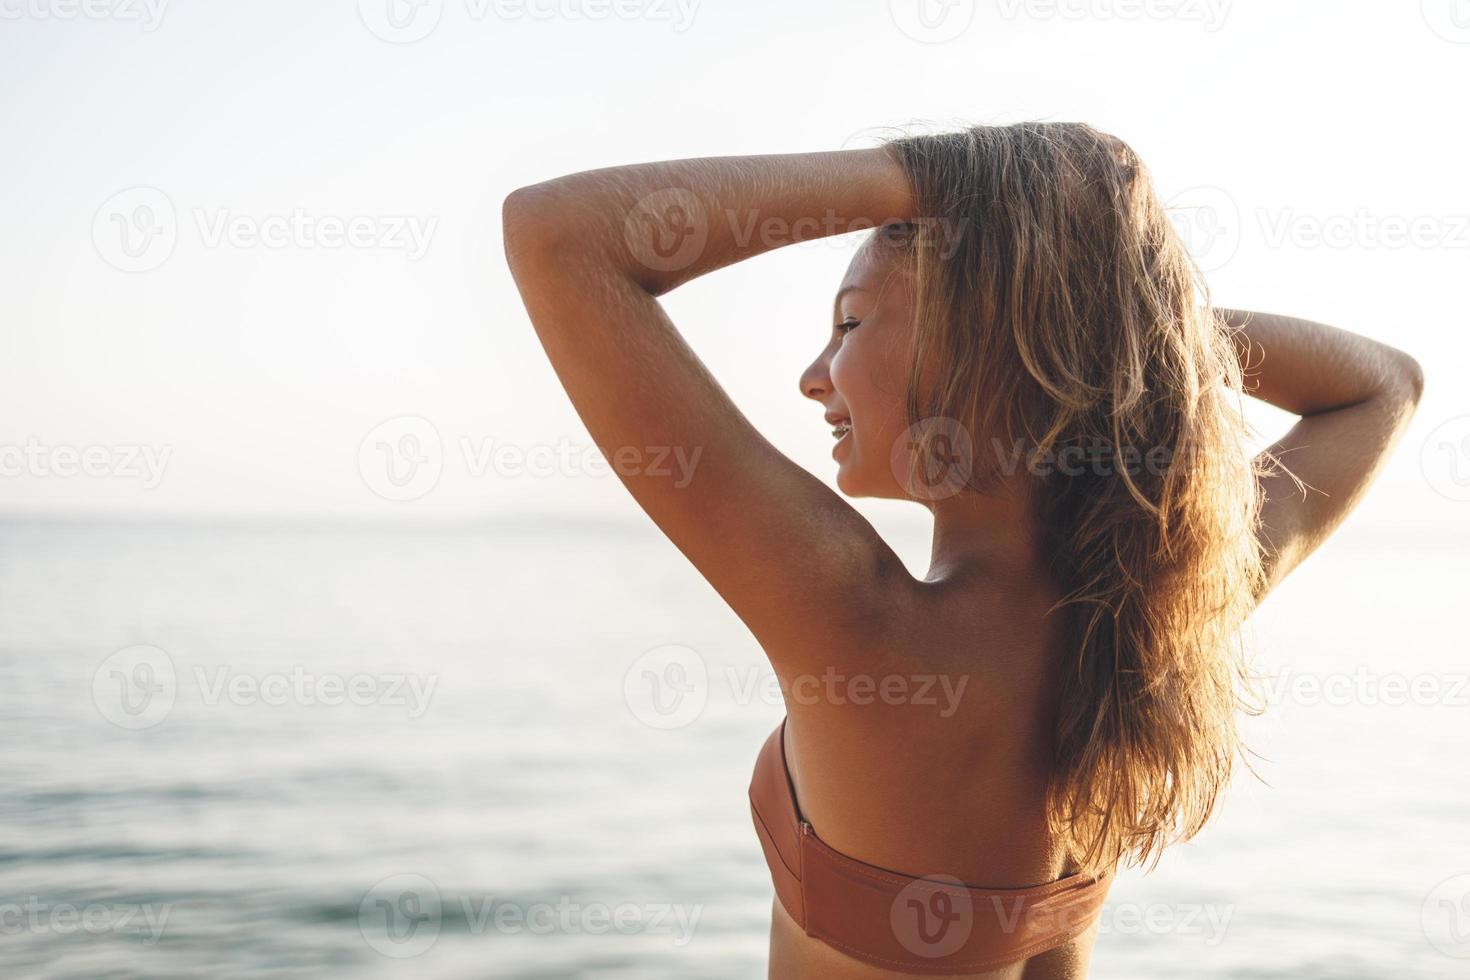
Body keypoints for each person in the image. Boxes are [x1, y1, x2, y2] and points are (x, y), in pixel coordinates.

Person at [501, 121, 1423, 978]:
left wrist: (935, 176)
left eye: (852, 323)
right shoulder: (1164, 608)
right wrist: (1120, 319)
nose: (813, 374)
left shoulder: (860, 624)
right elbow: (1381, 386)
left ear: (988, 337)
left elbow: (560, 235)